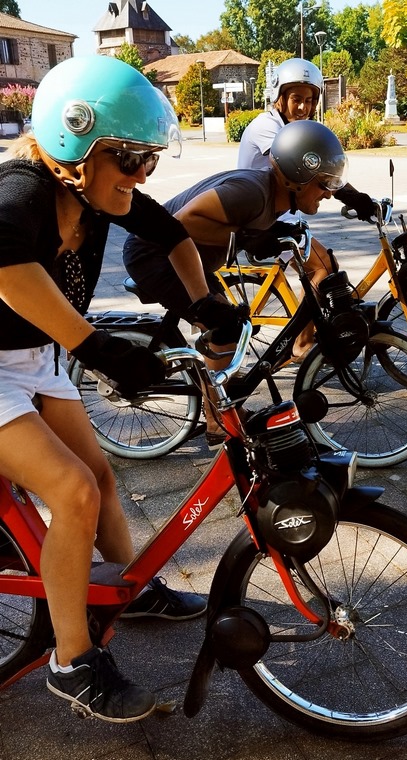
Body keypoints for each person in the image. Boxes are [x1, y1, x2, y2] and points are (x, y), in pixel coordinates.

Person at [0, 56, 245, 723]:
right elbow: (8, 269)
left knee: (102, 479)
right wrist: (96, 348)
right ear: (75, 144)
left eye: (149, 159)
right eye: (130, 158)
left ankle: (130, 591)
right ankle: (72, 663)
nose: (142, 175)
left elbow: (175, 236)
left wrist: (203, 302)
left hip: (34, 359)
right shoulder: (20, 190)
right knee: (72, 490)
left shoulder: (98, 195)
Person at [123, 118, 347, 388]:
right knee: (225, 329)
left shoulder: (272, 196)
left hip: (180, 259)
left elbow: (245, 224)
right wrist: (246, 238)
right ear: (298, 178)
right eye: (324, 184)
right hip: (153, 254)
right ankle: (220, 412)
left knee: (231, 328)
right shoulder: (253, 192)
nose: (329, 194)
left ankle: (221, 395)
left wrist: (272, 232)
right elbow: (182, 222)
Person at [237, 58, 376, 360]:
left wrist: (359, 198)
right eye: (296, 99)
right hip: (261, 221)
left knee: (325, 266)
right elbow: (308, 168)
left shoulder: (291, 128)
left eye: (310, 100)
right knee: (322, 267)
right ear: (280, 97)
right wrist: (354, 199)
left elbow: (323, 167)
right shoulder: (267, 127)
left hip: (282, 218)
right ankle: (301, 344)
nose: (303, 107)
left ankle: (308, 333)